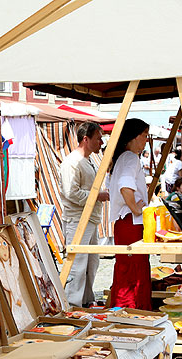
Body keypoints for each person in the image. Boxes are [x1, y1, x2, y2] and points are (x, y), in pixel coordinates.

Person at [59, 122, 109, 307]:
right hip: (77, 219)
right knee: (77, 265)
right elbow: (70, 192)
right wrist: (97, 195)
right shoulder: (72, 162)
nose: (101, 142)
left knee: (91, 263)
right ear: (86, 139)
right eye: (98, 138)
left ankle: (87, 300)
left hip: (89, 219)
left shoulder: (88, 160)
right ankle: (72, 304)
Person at [108, 118, 151, 310]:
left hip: (125, 223)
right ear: (134, 137)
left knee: (126, 267)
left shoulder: (124, 157)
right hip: (130, 222)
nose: (145, 140)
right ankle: (132, 310)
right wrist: (136, 208)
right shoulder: (130, 158)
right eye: (144, 136)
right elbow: (125, 185)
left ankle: (126, 309)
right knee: (133, 268)